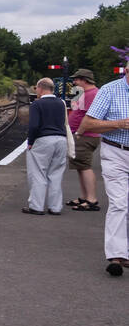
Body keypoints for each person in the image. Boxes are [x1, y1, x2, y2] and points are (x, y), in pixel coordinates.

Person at [77, 62, 129, 275]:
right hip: (116, 151)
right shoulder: (110, 90)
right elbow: (88, 124)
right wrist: (120, 123)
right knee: (119, 203)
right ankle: (117, 256)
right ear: (127, 70)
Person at [23, 78, 68, 215]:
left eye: (36, 89)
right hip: (61, 140)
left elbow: (34, 125)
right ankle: (55, 207)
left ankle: (36, 206)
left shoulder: (37, 104)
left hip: (43, 140)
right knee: (56, 174)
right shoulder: (61, 103)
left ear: (40, 88)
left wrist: (30, 142)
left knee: (38, 173)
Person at [65, 69, 100, 210]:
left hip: (85, 136)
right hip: (79, 135)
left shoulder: (93, 94)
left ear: (84, 80)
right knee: (80, 166)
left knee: (85, 167)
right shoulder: (83, 93)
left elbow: (91, 116)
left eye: (77, 80)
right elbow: (75, 109)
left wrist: (80, 132)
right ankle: (84, 197)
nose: (74, 82)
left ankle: (91, 199)